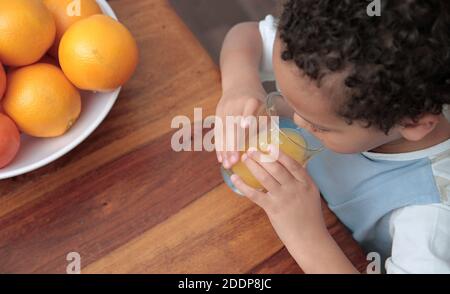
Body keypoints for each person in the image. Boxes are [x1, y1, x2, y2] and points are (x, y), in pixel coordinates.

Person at [215, 0, 450, 273]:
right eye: (291, 103)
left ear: (412, 123)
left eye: (320, 127)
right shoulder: (329, 51)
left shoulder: (432, 218)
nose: (297, 120)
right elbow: (247, 35)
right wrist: (240, 84)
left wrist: (304, 234)